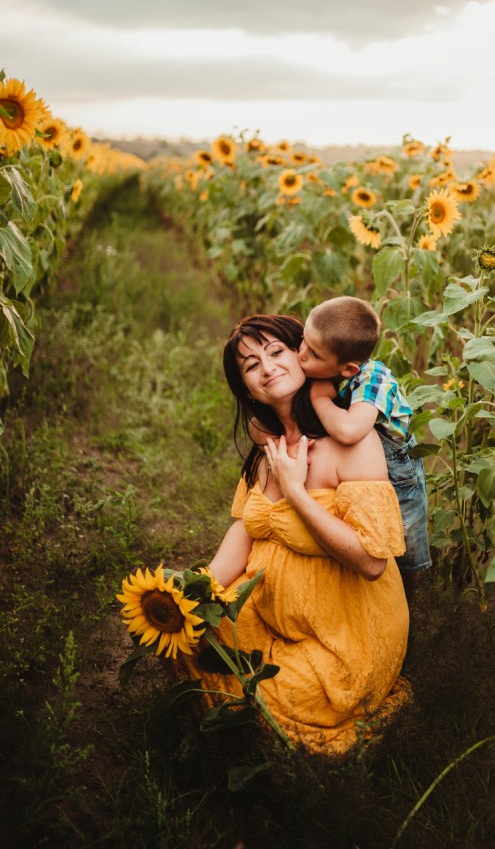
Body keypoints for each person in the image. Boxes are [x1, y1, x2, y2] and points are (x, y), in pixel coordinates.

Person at [181, 314, 410, 754]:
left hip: (344, 638)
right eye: (251, 366)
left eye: (275, 351)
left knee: (265, 702)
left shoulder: (351, 441)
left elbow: (370, 561)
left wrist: (295, 493)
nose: (266, 368)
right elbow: (245, 528)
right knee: (189, 637)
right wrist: (200, 591)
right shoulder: (267, 443)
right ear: (247, 389)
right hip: (272, 619)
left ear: (303, 353)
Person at [297, 296, 431, 600]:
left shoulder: (374, 379)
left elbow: (348, 430)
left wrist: (319, 399)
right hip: (360, 472)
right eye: (303, 342)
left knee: (400, 546)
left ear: (347, 369)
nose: (301, 355)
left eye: (313, 353)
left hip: (399, 476)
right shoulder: (326, 354)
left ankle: (407, 607)